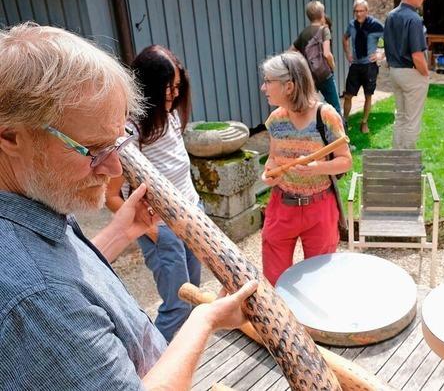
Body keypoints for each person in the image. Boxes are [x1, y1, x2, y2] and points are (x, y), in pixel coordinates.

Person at [0, 23, 257, 389]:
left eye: (116, 142)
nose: (115, 168)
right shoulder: (36, 300)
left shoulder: (33, 197)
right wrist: (205, 319)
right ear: (11, 135)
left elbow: (66, 271)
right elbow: (49, 286)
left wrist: (120, 230)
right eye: (92, 149)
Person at [105, 45, 203, 342]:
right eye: (167, 88)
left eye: (177, 86)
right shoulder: (129, 131)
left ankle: (183, 353)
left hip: (193, 216)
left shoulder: (169, 115)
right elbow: (111, 196)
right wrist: (151, 232)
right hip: (162, 229)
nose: (174, 94)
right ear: (147, 88)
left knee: (193, 294)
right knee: (177, 305)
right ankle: (153, 371)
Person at [260, 51, 352, 286]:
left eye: (268, 81)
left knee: (320, 280)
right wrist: (269, 172)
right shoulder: (275, 120)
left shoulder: (326, 115)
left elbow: (345, 160)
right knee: (274, 279)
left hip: (319, 209)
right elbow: (273, 157)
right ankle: (280, 322)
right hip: (281, 207)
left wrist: (318, 167)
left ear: (289, 86)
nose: (263, 87)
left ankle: (313, 324)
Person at [383, 0, 430, 149]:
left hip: (395, 71)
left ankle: (397, 156)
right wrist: (426, 73)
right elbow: (417, 55)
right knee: (412, 120)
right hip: (411, 73)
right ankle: (407, 161)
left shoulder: (391, 15)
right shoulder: (414, 19)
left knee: (401, 117)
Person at [342, 0, 384, 134]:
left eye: (361, 11)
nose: (359, 14)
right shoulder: (351, 25)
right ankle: (344, 122)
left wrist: (380, 55)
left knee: (368, 96)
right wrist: (348, 54)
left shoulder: (375, 25)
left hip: (369, 67)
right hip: (355, 65)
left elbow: (389, 40)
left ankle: (364, 122)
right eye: (356, 11)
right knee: (348, 95)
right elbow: (345, 38)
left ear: (367, 11)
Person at [293, 0, 342, 115]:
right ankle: (339, 132)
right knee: (335, 106)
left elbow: (290, 51)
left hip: (311, 76)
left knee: (311, 107)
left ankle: (318, 130)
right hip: (325, 75)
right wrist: (332, 66)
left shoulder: (304, 32)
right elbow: (327, 54)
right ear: (322, 14)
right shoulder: (324, 29)